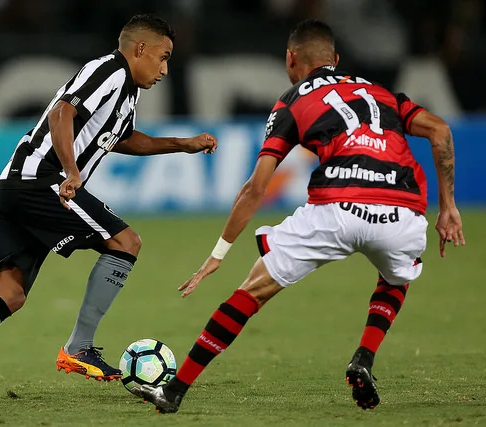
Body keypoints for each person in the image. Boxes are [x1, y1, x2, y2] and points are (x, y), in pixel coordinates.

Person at [140, 19, 465, 413]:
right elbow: (441, 130)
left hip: (336, 209)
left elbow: (255, 187)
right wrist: (448, 207)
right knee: (397, 277)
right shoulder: (382, 94)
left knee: (252, 291)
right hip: (401, 211)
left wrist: (218, 254)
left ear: (291, 59)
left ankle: (173, 392)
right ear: (337, 59)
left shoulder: (292, 101)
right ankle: (364, 356)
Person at [0, 14, 218, 402]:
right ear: (140, 49)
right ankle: (79, 347)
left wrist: (182, 144)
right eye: (163, 57)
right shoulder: (109, 71)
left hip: (14, 187)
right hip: (40, 181)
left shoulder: (127, 92)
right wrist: (70, 171)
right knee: (126, 242)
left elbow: (124, 138)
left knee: (9, 294)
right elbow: (61, 111)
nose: (165, 69)